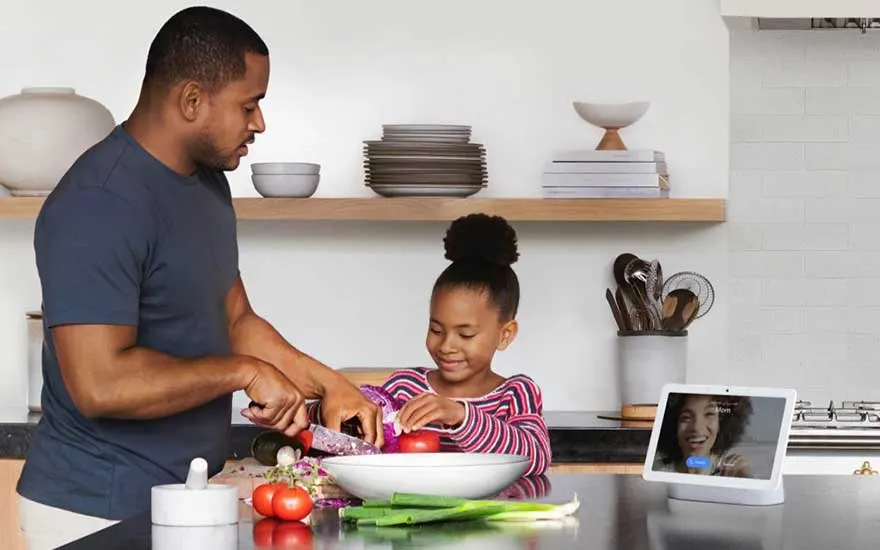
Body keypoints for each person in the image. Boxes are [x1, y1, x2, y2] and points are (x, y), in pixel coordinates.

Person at [16, 6, 382, 548]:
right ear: (191, 100)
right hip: (94, 511)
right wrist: (242, 372)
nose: (259, 123)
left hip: (185, 498)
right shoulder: (99, 203)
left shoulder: (205, 184)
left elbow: (234, 317)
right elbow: (100, 384)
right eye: (249, 105)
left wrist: (332, 386)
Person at [310, 213, 552, 476]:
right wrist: (323, 411)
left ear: (505, 334)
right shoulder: (405, 387)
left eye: (466, 335)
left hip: (488, 515)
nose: (447, 345)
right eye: (436, 329)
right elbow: (352, 424)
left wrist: (460, 416)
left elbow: (536, 458)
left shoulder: (515, 394)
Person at [652, 393, 753, 478]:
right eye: (686, 417)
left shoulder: (729, 467)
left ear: (721, 423)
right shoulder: (658, 472)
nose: (696, 427)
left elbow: (739, 468)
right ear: (673, 425)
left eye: (709, 414)